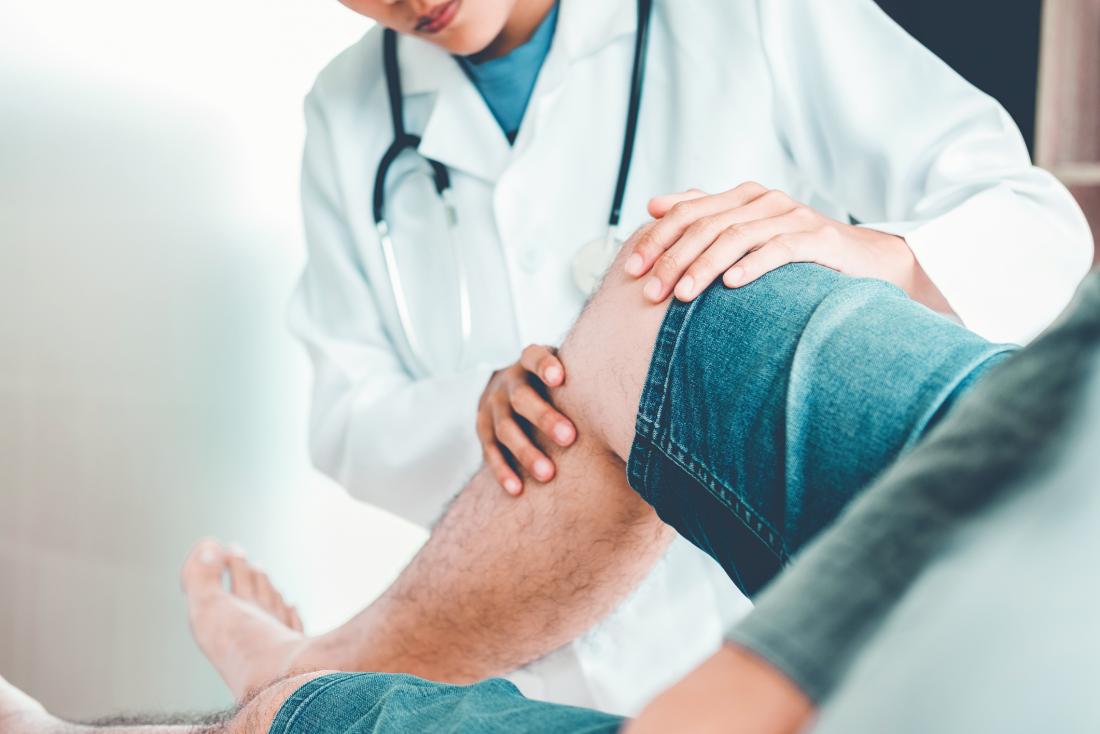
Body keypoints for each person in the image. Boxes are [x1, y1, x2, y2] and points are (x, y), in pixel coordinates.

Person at [290, 0, 1093, 710]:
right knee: (334, 704)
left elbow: (1034, 223)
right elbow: (344, 410)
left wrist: (874, 249)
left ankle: (294, 669)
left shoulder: (747, 12)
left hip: (769, 621)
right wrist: (486, 408)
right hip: (531, 644)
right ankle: (298, 674)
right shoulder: (346, 107)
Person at [6, 243, 1098, 733]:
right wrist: (874, 248)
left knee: (322, 721)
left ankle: (292, 686)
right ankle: (316, 665)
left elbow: (1020, 215)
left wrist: (919, 251)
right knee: (669, 295)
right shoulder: (347, 110)